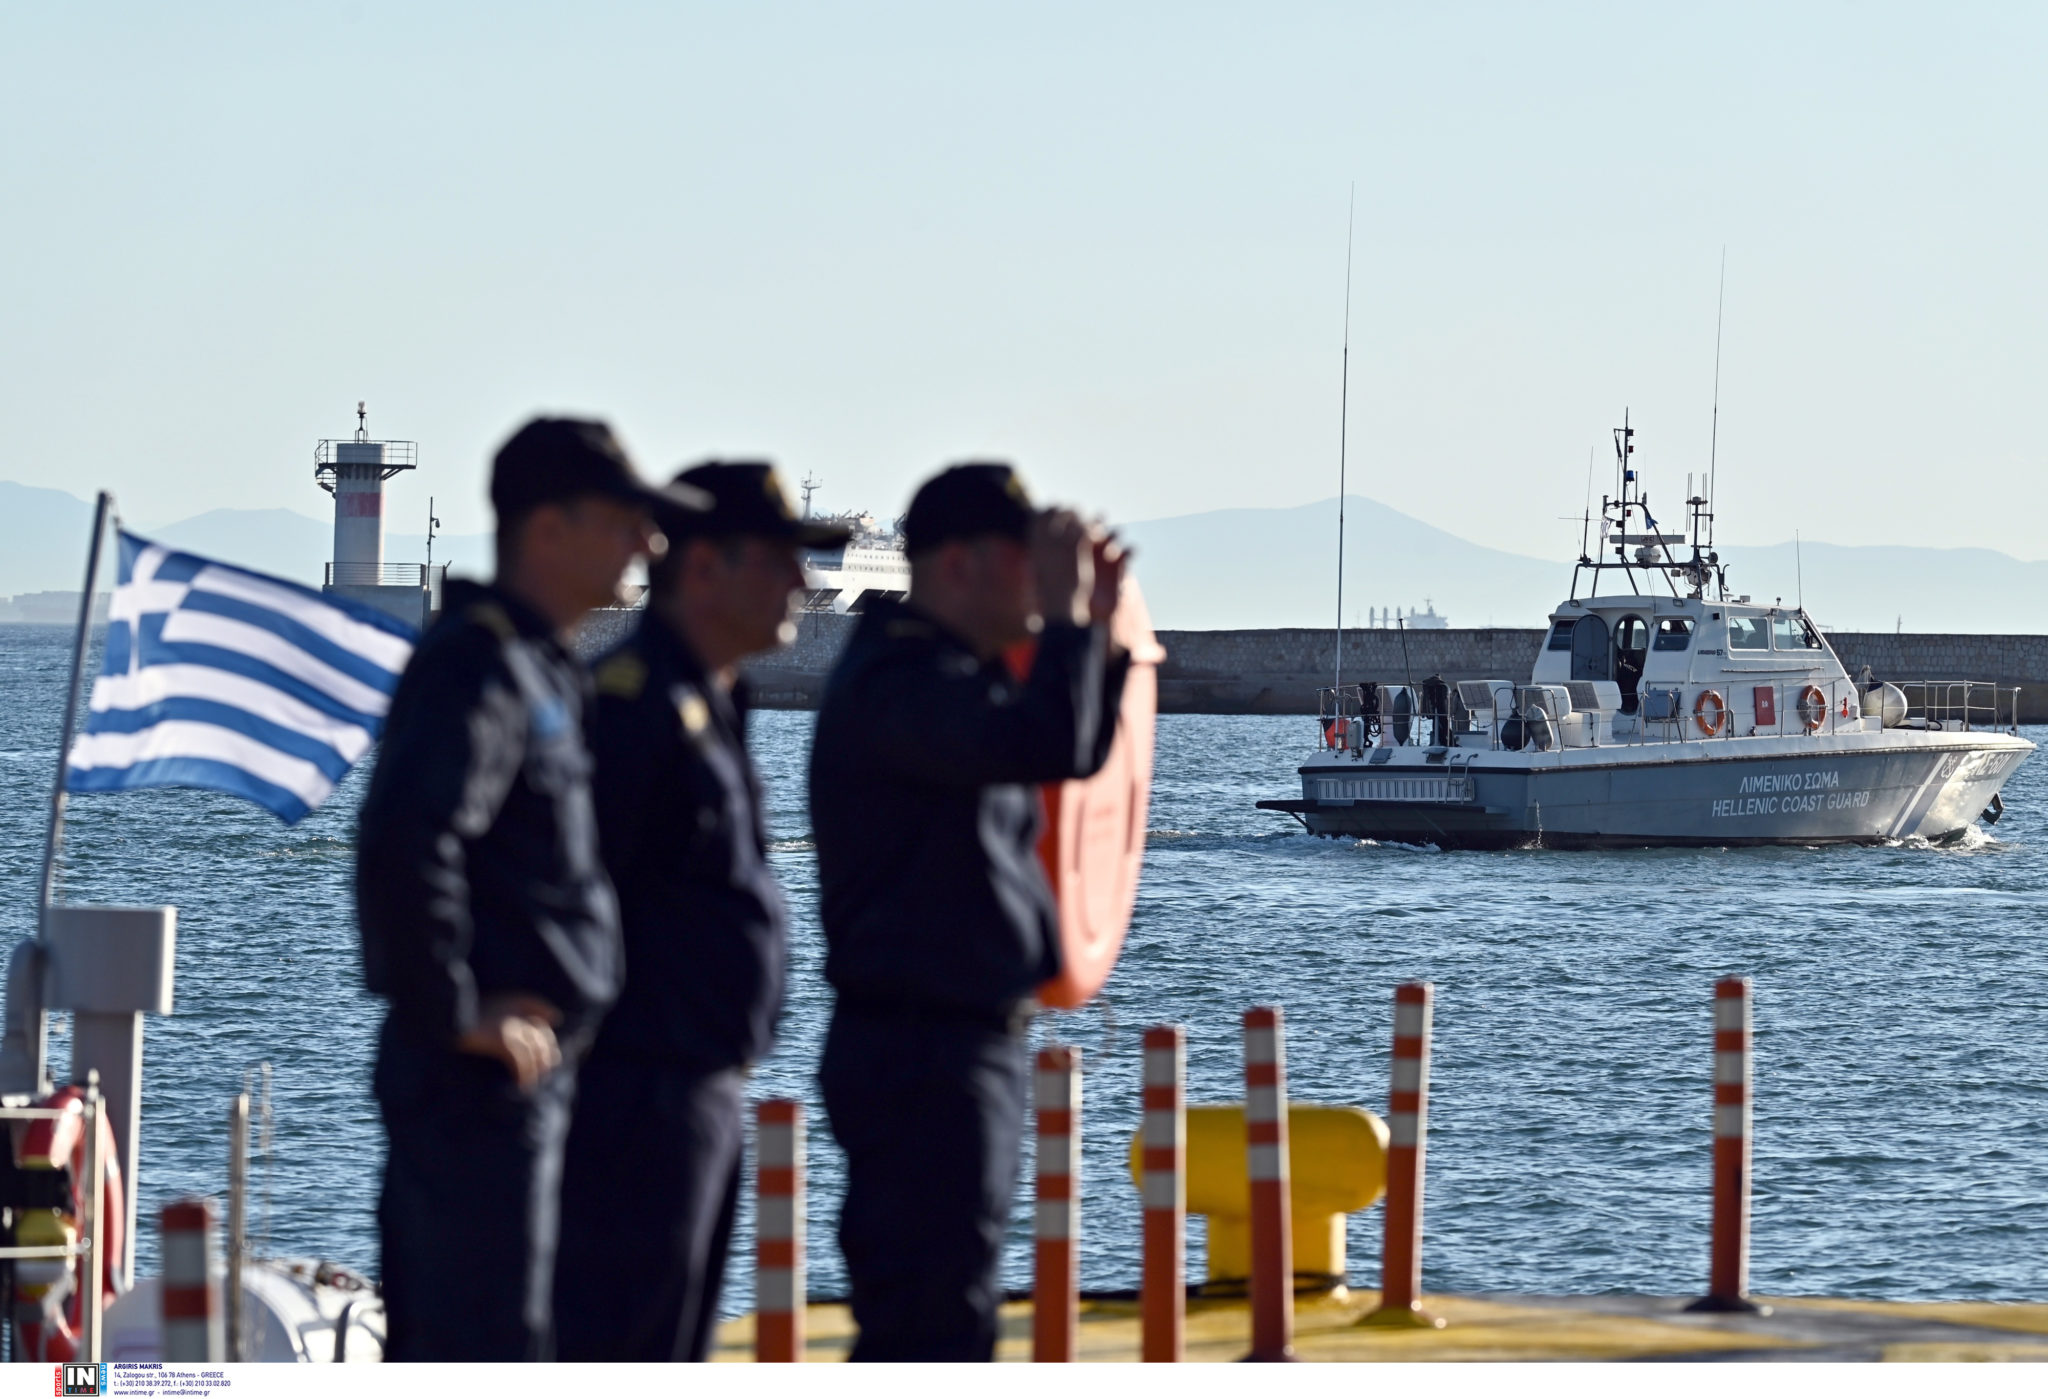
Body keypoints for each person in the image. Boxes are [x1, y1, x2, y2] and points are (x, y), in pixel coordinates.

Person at [357, 418, 706, 1362]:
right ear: (547, 530)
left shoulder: (541, 665)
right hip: (476, 1092)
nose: (650, 544)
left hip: (537, 1083)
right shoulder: (479, 665)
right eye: (626, 522)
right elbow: (405, 838)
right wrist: (458, 1007)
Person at [810, 462, 1128, 1361]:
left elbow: (1071, 746)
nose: (1038, 583)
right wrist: (1070, 623)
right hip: (918, 1050)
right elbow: (1045, 739)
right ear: (957, 565)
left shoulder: (946, 673)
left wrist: (1099, 630)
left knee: (951, 1306)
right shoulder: (899, 683)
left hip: (951, 1042)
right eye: (1024, 561)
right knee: (931, 1319)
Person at [554, 463, 848, 1361]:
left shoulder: (709, 697)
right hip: (633, 1095)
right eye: (778, 561)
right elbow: (569, 892)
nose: (801, 584)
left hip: (697, 1084)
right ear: (707, 568)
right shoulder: (633, 705)